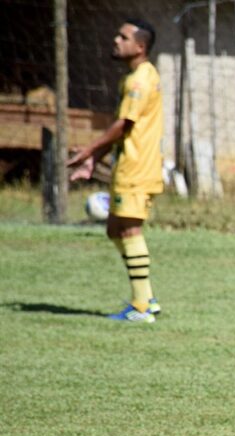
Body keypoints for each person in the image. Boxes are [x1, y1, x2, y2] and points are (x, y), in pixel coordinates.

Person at [67, 19, 163, 323]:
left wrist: (89, 150)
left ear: (140, 46)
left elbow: (124, 125)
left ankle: (141, 307)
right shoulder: (135, 77)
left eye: (122, 37)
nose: (115, 40)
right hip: (127, 166)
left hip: (137, 169)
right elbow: (124, 130)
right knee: (114, 229)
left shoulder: (139, 81)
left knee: (130, 229)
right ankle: (146, 298)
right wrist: (96, 160)